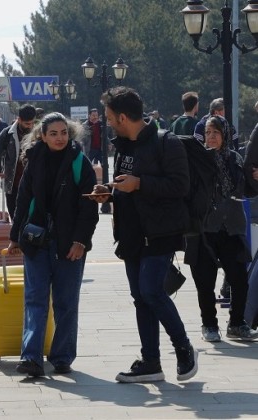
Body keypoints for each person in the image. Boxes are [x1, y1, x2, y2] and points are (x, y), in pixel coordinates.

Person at [90, 86, 198, 383]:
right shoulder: (123, 144)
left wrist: (139, 184)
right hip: (130, 233)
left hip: (161, 231)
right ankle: (151, 362)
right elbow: (126, 184)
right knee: (140, 297)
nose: (108, 122)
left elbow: (179, 186)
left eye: (111, 117)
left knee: (151, 291)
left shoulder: (167, 142)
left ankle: (184, 347)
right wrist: (109, 193)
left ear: (123, 116)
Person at [5, 112, 98, 377]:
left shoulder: (80, 163)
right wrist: (15, 237)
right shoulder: (34, 161)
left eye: (64, 133)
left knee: (66, 302)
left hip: (69, 244)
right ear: (42, 136)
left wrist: (81, 241)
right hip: (37, 242)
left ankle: (62, 356)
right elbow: (22, 201)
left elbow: (89, 207)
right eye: (53, 134)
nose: (59, 138)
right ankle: (31, 358)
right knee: (34, 299)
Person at [187, 116, 258, 342]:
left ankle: (236, 323)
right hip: (205, 228)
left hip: (232, 227)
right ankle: (209, 324)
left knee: (239, 278)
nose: (212, 137)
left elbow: (248, 190)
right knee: (205, 280)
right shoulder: (198, 160)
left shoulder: (235, 159)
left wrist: (256, 179)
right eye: (208, 133)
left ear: (225, 135)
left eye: (216, 132)